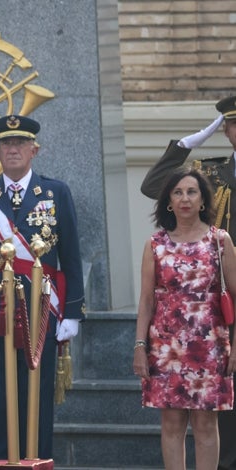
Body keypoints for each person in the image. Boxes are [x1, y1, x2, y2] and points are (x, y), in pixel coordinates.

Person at [0, 114, 86, 459]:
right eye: (5, 144)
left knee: (37, 394)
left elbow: (70, 253)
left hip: (42, 306)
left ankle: (37, 461)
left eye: (20, 143)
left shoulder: (54, 192)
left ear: (34, 149)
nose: (12, 150)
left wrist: (72, 313)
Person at [140, 96, 236, 470]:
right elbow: (154, 186)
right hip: (215, 305)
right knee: (214, 416)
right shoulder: (210, 175)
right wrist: (187, 144)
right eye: (232, 125)